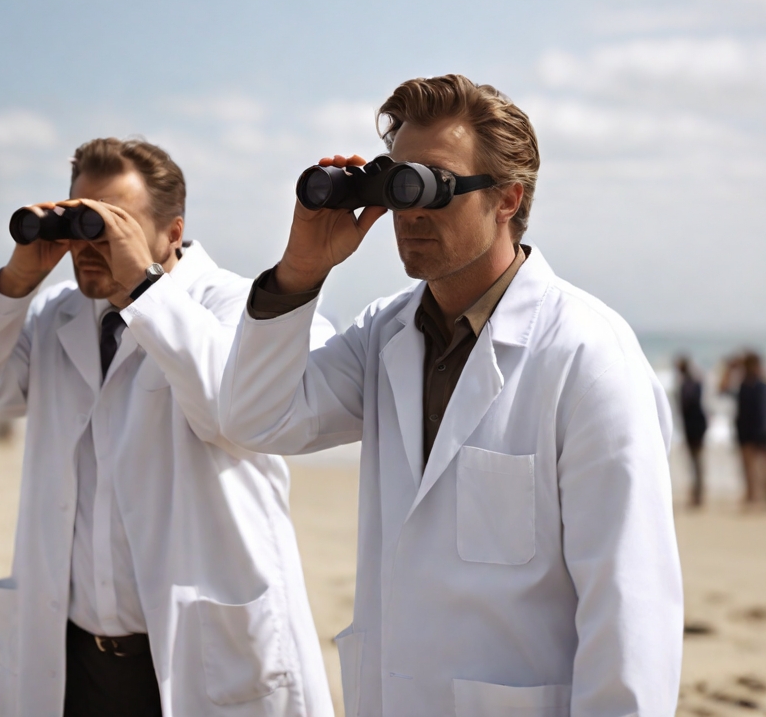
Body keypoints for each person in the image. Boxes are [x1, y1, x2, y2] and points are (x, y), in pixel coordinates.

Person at [219, 74, 683, 716]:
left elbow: (630, 609)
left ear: (505, 199)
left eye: (432, 185)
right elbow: (253, 419)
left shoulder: (587, 353)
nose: (409, 211)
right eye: (396, 182)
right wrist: (300, 272)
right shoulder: (386, 333)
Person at [0, 137, 335, 717]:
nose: (87, 246)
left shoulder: (242, 307)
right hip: (75, 661)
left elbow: (234, 415)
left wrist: (144, 292)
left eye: (109, 225)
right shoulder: (59, 317)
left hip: (200, 659)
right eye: (79, 220)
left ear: (172, 233)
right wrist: (19, 278)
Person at [735, 351, 766, 508]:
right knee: (749, 467)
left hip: (761, 432)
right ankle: (753, 495)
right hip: (746, 431)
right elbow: (722, 390)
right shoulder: (744, 384)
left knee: (765, 467)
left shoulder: (763, 384)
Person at [675, 355, 708, 507]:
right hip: (691, 428)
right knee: (694, 462)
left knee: (697, 462)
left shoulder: (692, 384)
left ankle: (698, 495)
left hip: (696, 428)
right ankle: (696, 493)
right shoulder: (690, 383)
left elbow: (689, 406)